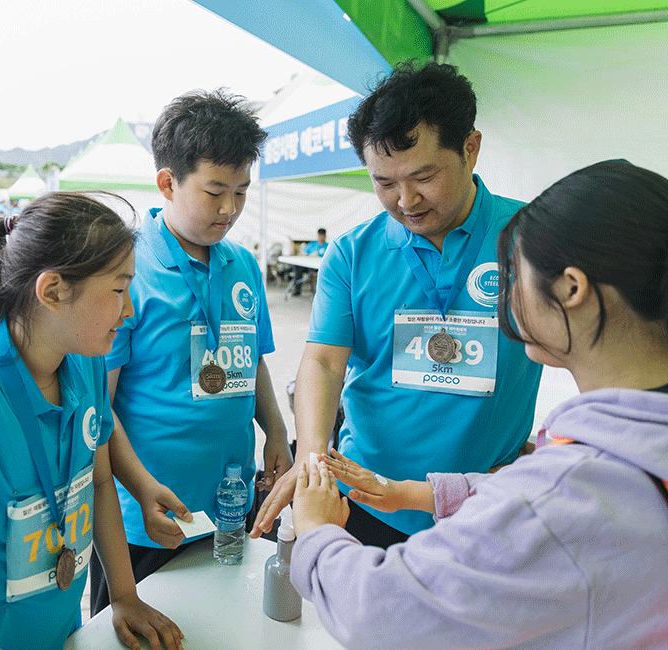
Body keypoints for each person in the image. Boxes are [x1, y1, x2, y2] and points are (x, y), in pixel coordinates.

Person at [290, 159, 668, 649]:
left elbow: (379, 612)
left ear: (571, 288)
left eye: (515, 275)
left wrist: (316, 531)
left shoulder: (561, 492)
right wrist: (414, 493)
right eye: (385, 182)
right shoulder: (622, 450)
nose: (505, 296)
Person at [252, 61, 543, 547]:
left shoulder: (531, 238)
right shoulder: (352, 253)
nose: (406, 200)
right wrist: (312, 455)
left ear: (470, 148)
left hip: (486, 502)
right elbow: (323, 362)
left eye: (423, 176)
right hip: (368, 497)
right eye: (384, 183)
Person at [0, 192, 183, 650]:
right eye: (119, 291)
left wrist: (124, 595)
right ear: (51, 291)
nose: (129, 312)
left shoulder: (85, 362)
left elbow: (99, 483)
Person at [87, 88, 292, 615]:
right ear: (167, 183)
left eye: (242, 192)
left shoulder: (242, 264)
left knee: (219, 626)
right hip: (146, 518)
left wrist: (275, 430)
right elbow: (97, 403)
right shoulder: (125, 269)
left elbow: (254, 361)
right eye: (215, 191)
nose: (229, 209)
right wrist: (140, 486)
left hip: (228, 506)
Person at [289, 227, 328, 296]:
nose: (320, 237)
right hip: (308, 265)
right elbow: (302, 253)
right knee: (297, 267)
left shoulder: (327, 246)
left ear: (325, 236)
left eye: (322, 235)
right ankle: (297, 289)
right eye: (319, 235)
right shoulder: (312, 244)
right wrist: (305, 254)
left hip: (318, 267)